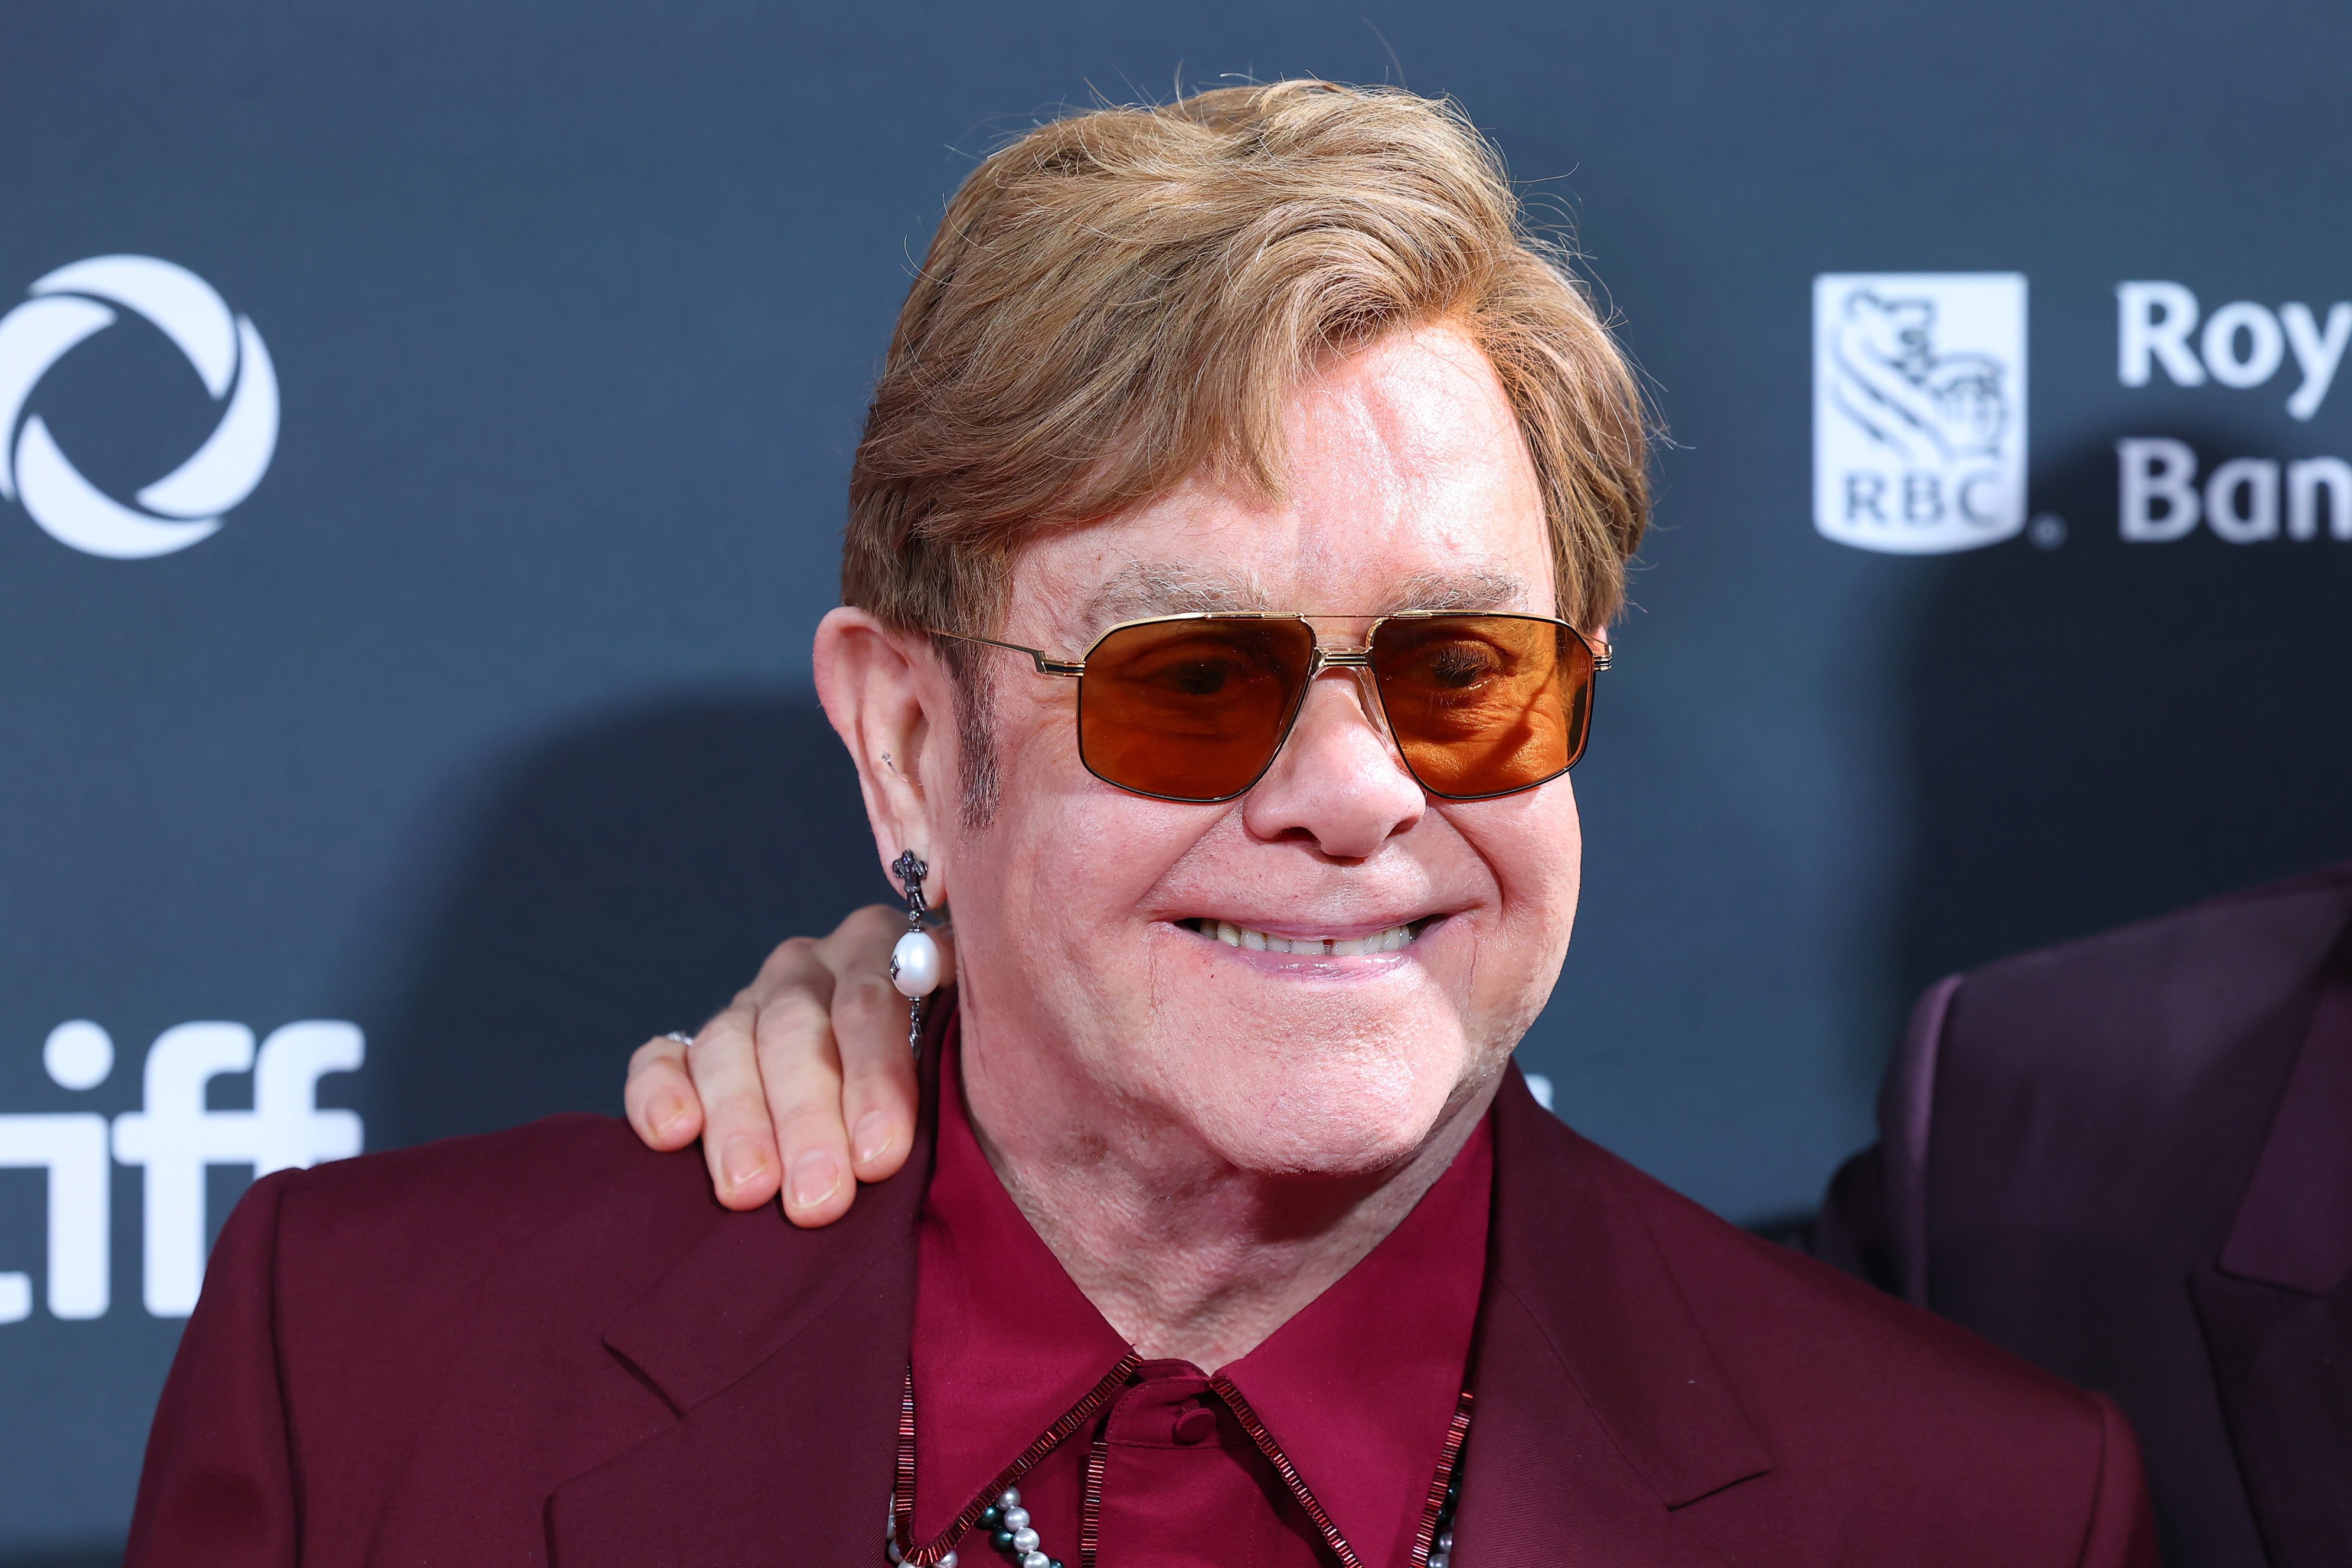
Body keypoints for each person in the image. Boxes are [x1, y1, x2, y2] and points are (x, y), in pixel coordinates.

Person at [132, 83, 2153, 1566]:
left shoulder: (1963, 1511)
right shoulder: (376, 1378)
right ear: (915, 748)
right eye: (1194, 683)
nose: (1361, 797)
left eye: (1461, 674)